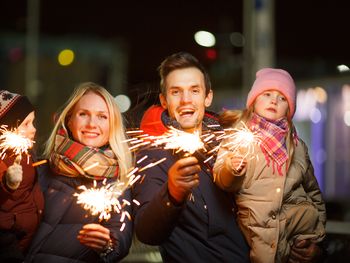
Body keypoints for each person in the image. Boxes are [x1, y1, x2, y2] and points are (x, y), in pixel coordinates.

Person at [132, 52, 251, 262]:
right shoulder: (153, 155)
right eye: (176, 92)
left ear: (208, 97)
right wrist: (172, 194)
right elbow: (146, 232)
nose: (186, 100)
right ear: (164, 100)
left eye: (194, 91)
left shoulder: (231, 143)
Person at [213, 68, 326, 262]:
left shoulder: (297, 146)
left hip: (298, 230)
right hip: (260, 231)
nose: (274, 101)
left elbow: (313, 190)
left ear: (289, 110)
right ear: (254, 100)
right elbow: (222, 179)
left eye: (282, 98)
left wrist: (318, 231)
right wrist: (232, 169)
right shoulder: (238, 137)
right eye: (267, 94)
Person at [25, 82, 134, 262]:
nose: (92, 124)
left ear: (112, 125)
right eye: (83, 114)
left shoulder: (117, 183)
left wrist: (107, 245)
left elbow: (121, 238)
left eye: (102, 117)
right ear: (70, 120)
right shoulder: (40, 168)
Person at [0, 90, 44, 263]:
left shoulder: (27, 154)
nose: (33, 129)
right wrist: (8, 183)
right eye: (26, 124)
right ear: (9, 126)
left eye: (33, 122)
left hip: (27, 241)